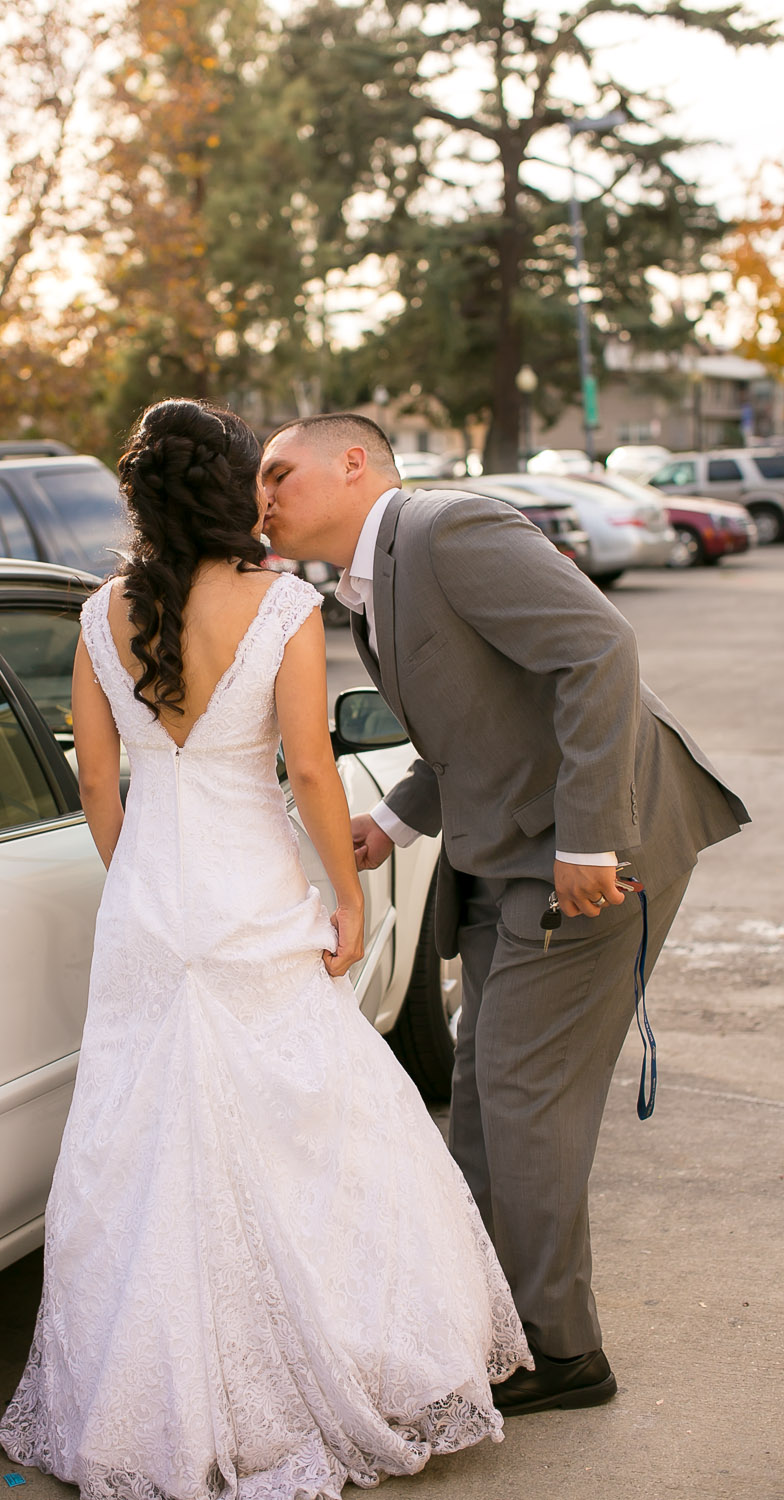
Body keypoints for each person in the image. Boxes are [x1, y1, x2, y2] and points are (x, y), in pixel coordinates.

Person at [0, 398, 530, 1499]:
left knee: (143, 1143)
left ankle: (158, 1395)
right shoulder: (283, 605)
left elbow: (98, 782)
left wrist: (138, 876)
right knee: (303, 1120)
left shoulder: (100, 614)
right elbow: (314, 771)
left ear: (139, 497)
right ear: (236, 489)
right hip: (251, 887)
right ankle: (347, 1359)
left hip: (152, 897)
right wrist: (346, 895)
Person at [259, 412, 749, 1417]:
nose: (259, 494)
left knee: (523, 1105)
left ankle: (561, 1355)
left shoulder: (446, 530)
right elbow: (474, 727)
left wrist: (587, 839)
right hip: (511, 854)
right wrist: (391, 825)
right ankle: (492, 1324)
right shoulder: (365, 590)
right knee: (484, 1095)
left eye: (278, 471)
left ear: (353, 464)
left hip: (591, 856)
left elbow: (597, 652)